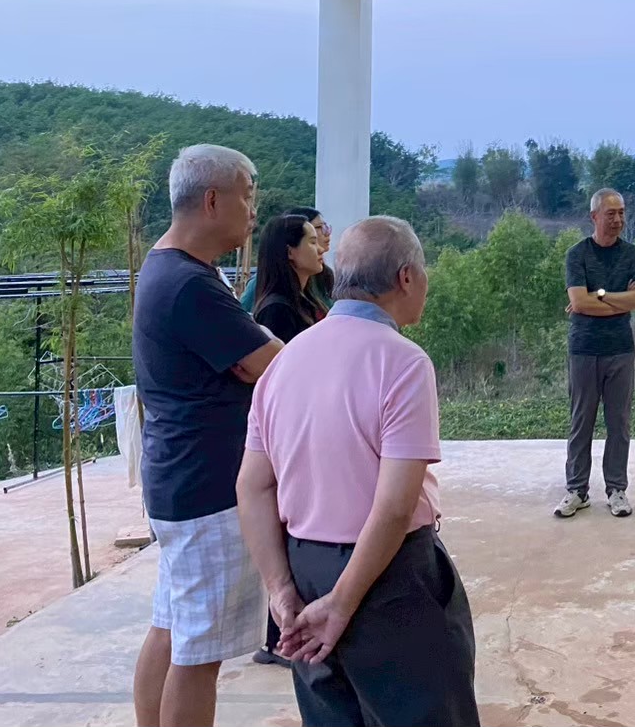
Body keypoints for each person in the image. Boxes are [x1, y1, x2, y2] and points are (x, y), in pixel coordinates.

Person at [237, 217, 479, 727]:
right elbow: (392, 507)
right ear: (407, 277)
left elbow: (253, 486)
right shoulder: (403, 362)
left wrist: (281, 590)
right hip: (387, 576)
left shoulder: (285, 361)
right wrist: (343, 603)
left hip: (304, 571)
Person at [131, 145, 283, 727]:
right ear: (213, 200)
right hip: (209, 488)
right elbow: (269, 361)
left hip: (180, 479)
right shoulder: (189, 284)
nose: (253, 210)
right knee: (199, 656)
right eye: (248, 195)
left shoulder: (170, 268)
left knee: (173, 628)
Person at [248, 213, 328, 667]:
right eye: (311, 240)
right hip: (292, 433)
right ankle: (280, 637)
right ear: (289, 253)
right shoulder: (276, 309)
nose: (320, 247)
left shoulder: (305, 298)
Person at [554, 188, 635, 519]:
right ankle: (576, 491)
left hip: (620, 349)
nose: (618, 219)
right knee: (581, 421)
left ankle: (616, 490)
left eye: (621, 212)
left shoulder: (633, 255)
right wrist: (619, 299)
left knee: (619, 423)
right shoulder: (577, 255)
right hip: (584, 349)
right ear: (594, 216)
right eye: (611, 213)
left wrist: (600, 294)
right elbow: (578, 302)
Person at [240, 206, 334, 313]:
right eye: (319, 227)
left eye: (325, 227)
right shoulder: (272, 300)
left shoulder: (323, 275)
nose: (327, 232)